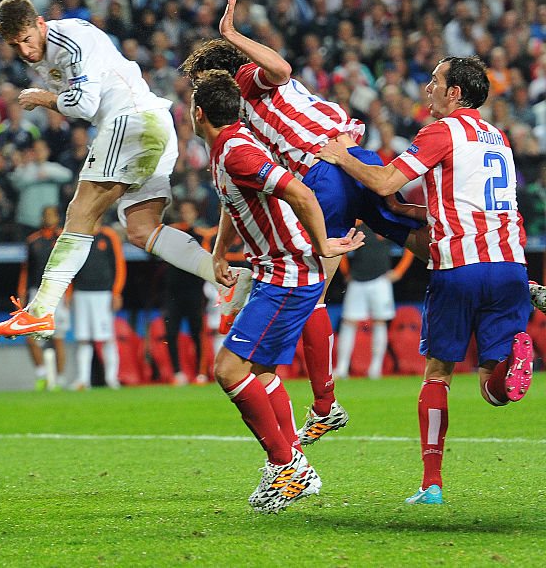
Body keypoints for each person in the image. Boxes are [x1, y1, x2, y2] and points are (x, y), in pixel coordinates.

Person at [180, 0, 428, 446]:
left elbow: (280, 68)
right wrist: (219, 247)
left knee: (310, 287)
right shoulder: (242, 120)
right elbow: (238, 195)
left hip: (321, 173)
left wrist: (232, 33)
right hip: (352, 158)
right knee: (413, 236)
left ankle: (325, 406)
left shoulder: (247, 83)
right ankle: (505, 276)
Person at [317, 55, 534, 506]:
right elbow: (467, 203)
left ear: (455, 93)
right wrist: (404, 210)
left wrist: (342, 156)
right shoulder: (498, 138)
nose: (427, 88)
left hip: (459, 266)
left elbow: (383, 181)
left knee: (438, 373)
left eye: (435, 81)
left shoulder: (441, 131)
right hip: (510, 264)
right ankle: (511, 363)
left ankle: (431, 484)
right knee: (492, 390)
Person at [0, 0, 251, 339]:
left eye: (26, 39)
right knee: (142, 229)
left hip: (131, 122)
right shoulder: (47, 53)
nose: (24, 50)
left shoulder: (69, 40)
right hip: (153, 125)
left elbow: (84, 104)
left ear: (39, 23)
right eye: (14, 45)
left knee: (81, 212)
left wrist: (43, 98)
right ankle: (227, 280)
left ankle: (40, 311)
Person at [192, 69, 363, 513]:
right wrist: (219, 251)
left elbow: (300, 193)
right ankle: (294, 463)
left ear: (198, 112)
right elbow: (235, 202)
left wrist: (323, 243)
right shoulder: (228, 148)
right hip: (278, 271)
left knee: (229, 370)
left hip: (288, 273)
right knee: (261, 372)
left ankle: (286, 466)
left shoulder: (238, 151)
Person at [335, 226, 413, 380]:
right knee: (349, 322)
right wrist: (346, 271)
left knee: (380, 322)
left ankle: (376, 369)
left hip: (381, 280)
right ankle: (342, 368)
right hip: (357, 279)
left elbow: (409, 247)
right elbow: (341, 248)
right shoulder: (356, 224)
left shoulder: (385, 223)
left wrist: (399, 271)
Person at [160, 200, 212, 385]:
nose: (186, 214)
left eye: (189, 211)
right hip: (173, 290)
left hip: (194, 289)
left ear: (195, 214)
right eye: (183, 211)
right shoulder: (171, 232)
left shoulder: (201, 235)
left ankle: (200, 372)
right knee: (171, 332)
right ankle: (177, 372)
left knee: (197, 331)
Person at [17, 206, 70, 390]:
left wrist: (69, 294)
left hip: (58, 293)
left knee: (58, 338)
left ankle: (60, 379)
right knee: (31, 337)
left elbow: (70, 267)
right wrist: (22, 293)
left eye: (51, 215)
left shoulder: (64, 238)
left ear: (57, 217)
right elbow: (26, 271)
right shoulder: (33, 241)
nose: (48, 218)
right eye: (45, 215)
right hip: (37, 293)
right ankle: (42, 374)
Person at [69, 220, 126, 391]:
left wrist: (116, 292)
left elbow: (119, 265)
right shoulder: (77, 236)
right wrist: (69, 292)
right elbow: (69, 266)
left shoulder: (109, 236)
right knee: (83, 338)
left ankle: (111, 379)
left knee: (107, 337)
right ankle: (83, 379)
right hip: (81, 293)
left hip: (103, 294)